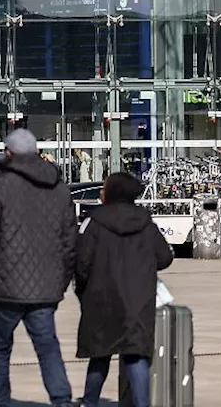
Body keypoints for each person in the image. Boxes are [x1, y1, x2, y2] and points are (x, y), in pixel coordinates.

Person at [0, 128, 78, 407]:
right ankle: (62, 399)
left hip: (3, 287)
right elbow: (70, 241)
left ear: (8, 153)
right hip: (44, 287)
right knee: (48, 345)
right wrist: (61, 281)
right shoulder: (58, 187)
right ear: (37, 153)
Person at [75, 173, 174, 407]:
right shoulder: (145, 222)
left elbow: (81, 262)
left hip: (101, 300)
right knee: (135, 354)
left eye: (104, 188)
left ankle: (89, 402)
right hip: (138, 301)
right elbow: (164, 257)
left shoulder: (95, 222)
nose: (100, 192)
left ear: (112, 193)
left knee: (99, 356)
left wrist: (83, 290)